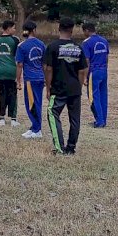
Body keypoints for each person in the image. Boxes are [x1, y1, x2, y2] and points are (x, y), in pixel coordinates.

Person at [44, 17, 88, 155]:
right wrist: (79, 86)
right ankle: (71, 148)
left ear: (59, 28)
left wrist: (48, 87)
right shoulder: (78, 48)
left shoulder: (52, 47)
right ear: (72, 30)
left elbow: (48, 69)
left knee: (52, 113)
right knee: (75, 119)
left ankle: (59, 147)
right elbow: (82, 71)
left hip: (58, 87)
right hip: (74, 88)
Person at [15, 19, 46, 139]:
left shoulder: (22, 46)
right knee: (36, 102)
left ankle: (37, 130)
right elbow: (44, 64)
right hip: (40, 77)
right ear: (34, 30)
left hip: (30, 79)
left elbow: (19, 65)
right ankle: (34, 127)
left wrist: (18, 80)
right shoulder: (42, 44)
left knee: (32, 104)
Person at [81, 20, 110, 127]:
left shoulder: (86, 42)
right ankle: (103, 119)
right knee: (103, 95)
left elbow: (87, 61)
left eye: (84, 31)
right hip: (103, 70)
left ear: (87, 30)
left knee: (94, 96)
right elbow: (106, 57)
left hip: (93, 71)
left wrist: (84, 77)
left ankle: (99, 121)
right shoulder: (104, 40)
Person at [0, 20, 20, 128]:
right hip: (12, 71)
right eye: (14, 28)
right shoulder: (15, 40)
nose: (15, 30)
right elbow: (18, 57)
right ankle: (13, 119)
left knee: (2, 93)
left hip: (0, 71)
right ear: (8, 29)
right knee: (12, 93)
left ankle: (1, 118)